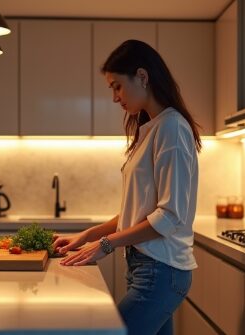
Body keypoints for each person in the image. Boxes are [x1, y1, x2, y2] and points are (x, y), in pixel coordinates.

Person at [52, 39, 202, 335]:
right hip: (147, 268)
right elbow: (137, 212)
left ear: (142, 77)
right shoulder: (152, 129)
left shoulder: (171, 129)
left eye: (116, 86)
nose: (114, 97)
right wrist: (88, 235)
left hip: (161, 271)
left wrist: (106, 245)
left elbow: (169, 217)